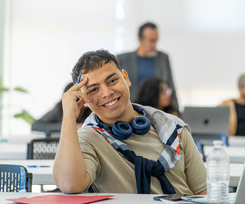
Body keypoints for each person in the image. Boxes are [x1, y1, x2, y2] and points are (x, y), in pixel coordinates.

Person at [53, 49, 206, 195]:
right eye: (93, 90)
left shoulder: (173, 126)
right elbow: (69, 184)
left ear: (126, 78)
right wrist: (68, 116)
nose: (107, 93)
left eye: (112, 81)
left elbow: (202, 192)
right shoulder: (89, 138)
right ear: (84, 100)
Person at [117, 22, 179, 111]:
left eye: (156, 40)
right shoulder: (123, 60)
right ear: (140, 40)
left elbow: (171, 85)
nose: (154, 45)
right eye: (151, 41)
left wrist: (177, 113)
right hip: (133, 111)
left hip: (159, 111)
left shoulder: (163, 58)